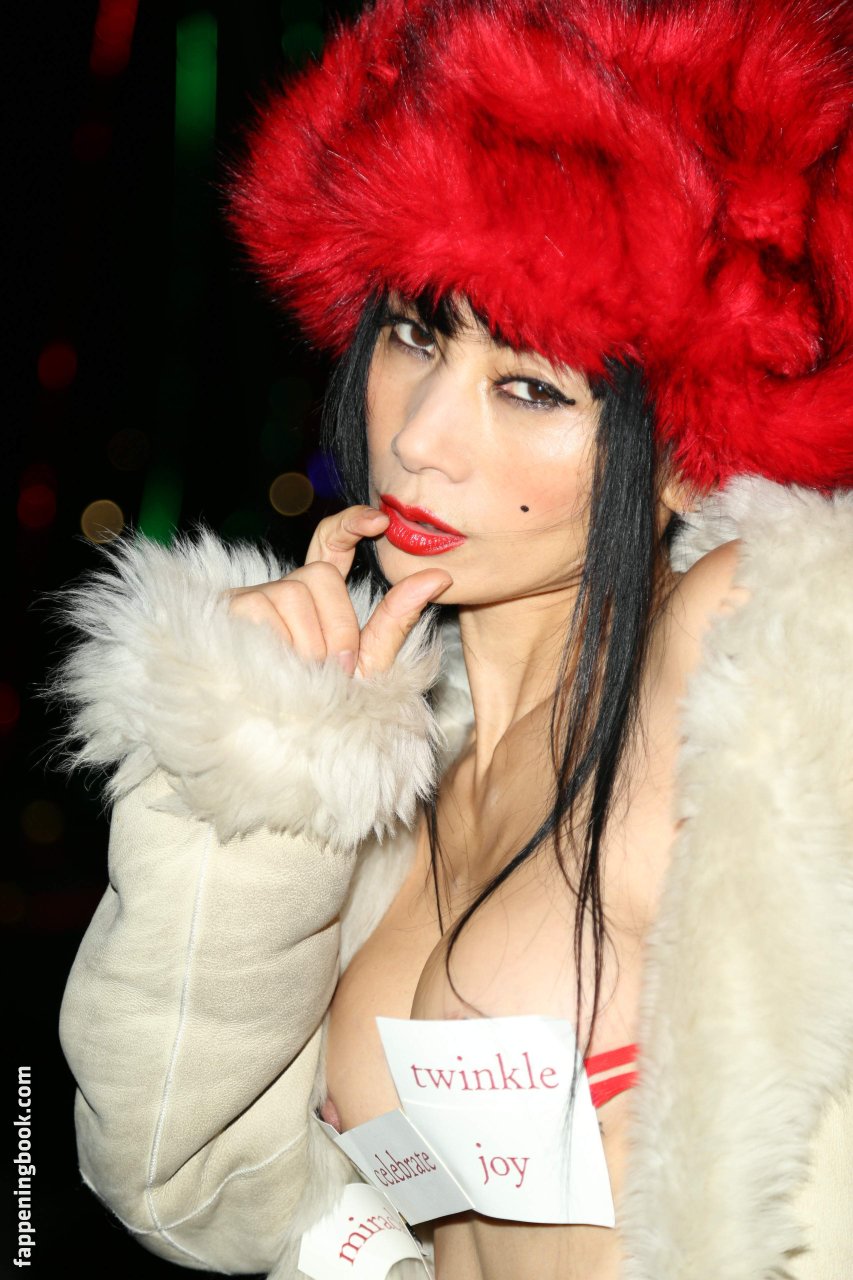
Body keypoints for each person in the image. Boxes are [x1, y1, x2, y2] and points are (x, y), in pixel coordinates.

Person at [56, 0, 853, 1277]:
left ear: (685, 446)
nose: (420, 435)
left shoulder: (742, 647)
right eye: (415, 334)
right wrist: (260, 756)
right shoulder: (387, 761)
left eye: (528, 386)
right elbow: (184, 1184)